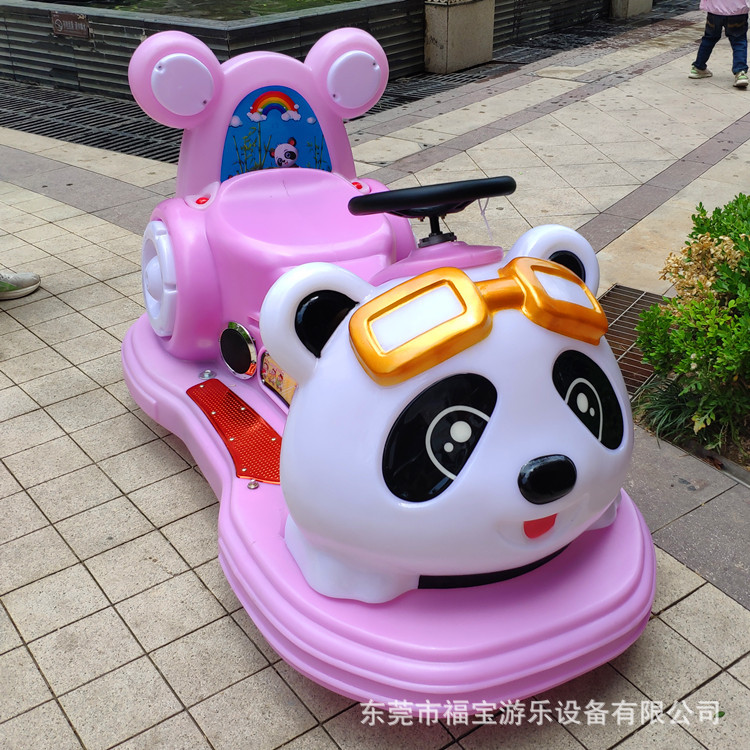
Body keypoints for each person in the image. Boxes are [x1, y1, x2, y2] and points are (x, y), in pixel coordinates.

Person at [690, 0, 749, 88]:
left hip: (715, 11)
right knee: (738, 41)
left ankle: (698, 67)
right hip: (737, 11)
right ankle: (740, 72)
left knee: (709, 39)